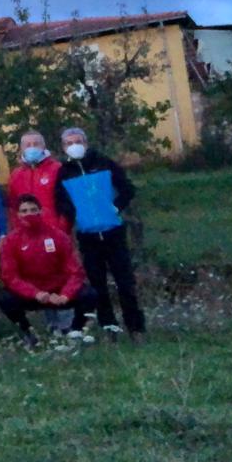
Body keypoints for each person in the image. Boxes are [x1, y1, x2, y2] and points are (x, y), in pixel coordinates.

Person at [54, 127, 145, 338]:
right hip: (87, 236)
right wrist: (76, 215)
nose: (74, 145)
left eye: (78, 141)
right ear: (63, 147)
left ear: (85, 143)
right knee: (97, 285)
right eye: (69, 143)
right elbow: (61, 202)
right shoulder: (64, 172)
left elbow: (127, 188)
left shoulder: (104, 163)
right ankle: (109, 327)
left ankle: (136, 328)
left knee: (125, 283)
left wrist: (115, 207)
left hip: (114, 232)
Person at [0, 194, 98, 346]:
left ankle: (75, 331)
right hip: (32, 294)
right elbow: (9, 276)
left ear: (40, 211)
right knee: (5, 298)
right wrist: (35, 293)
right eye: (24, 211)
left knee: (89, 294)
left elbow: (76, 271)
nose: (29, 214)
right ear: (17, 214)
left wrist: (66, 294)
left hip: (58, 292)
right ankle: (28, 333)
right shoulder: (11, 241)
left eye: (33, 210)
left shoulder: (58, 236)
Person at [7, 131, 71, 233]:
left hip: (54, 231)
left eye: (36, 144)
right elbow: (13, 207)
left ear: (44, 146)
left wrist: (63, 228)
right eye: (28, 145)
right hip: (25, 233)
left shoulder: (57, 169)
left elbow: (67, 203)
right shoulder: (16, 175)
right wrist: (16, 230)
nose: (32, 147)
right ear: (21, 148)